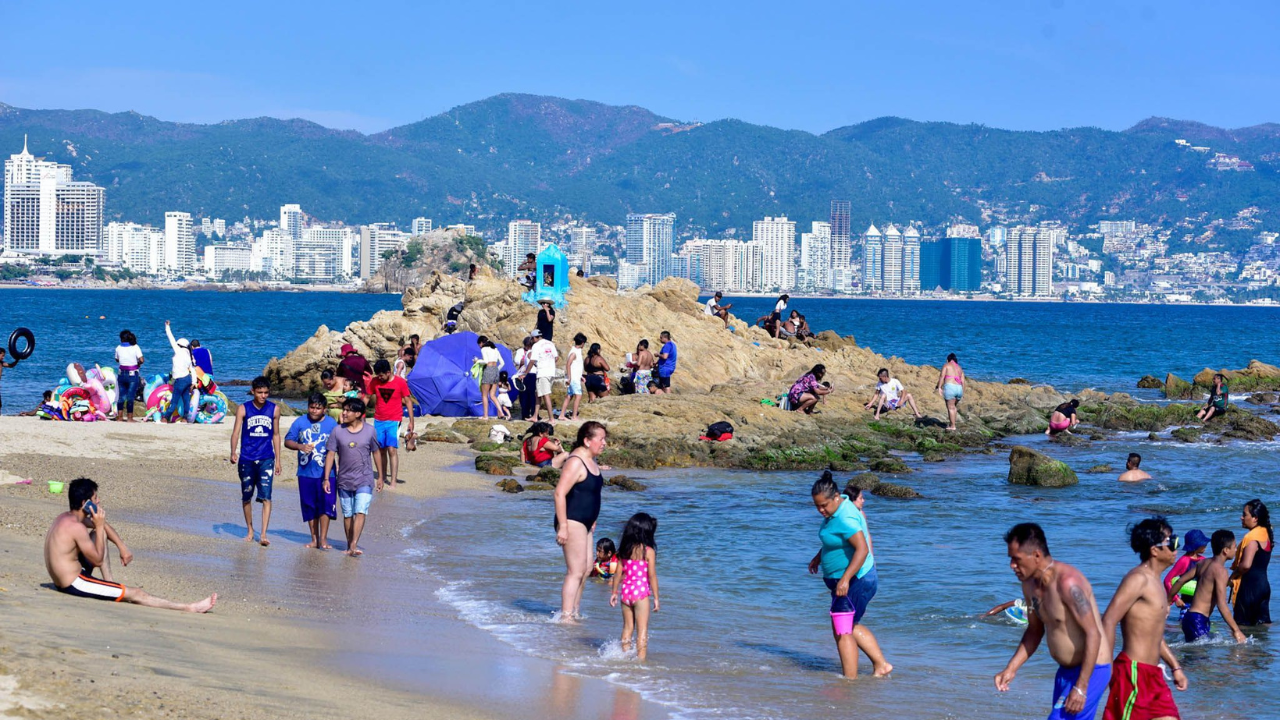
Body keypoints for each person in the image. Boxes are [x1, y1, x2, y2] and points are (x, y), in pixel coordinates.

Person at [995, 523, 1112, 720]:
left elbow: (1094, 633)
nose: (1012, 566)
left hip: (1091, 671)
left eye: (1016, 559)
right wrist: (1011, 668)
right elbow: (1034, 630)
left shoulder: (1069, 583)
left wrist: (1082, 687)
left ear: (1037, 555)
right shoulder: (1029, 585)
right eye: (1010, 559)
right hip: (1064, 672)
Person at [44, 478, 216, 612]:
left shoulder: (66, 518)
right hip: (74, 583)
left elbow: (105, 529)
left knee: (100, 532)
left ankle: (109, 583)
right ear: (85, 504)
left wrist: (122, 547)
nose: (99, 502)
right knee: (136, 594)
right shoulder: (76, 527)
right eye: (95, 499)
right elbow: (96, 560)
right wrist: (99, 525)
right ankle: (189, 607)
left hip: (67, 576)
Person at [1099, 518, 1187, 720]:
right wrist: (1106, 667)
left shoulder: (1156, 582)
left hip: (1153, 675)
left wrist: (1175, 666)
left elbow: (1154, 635)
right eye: (1171, 542)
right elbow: (1109, 620)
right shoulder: (1138, 579)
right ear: (1154, 550)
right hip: (1133, 672)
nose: (1177, 547)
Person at [809, 471, 891, 678]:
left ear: (836, 497)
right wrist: (819, 557)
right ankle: (880, 665)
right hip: (848, 580)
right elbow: (837, 541)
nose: (820, 510)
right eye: (817, 506)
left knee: (843, 629)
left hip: (857, 580)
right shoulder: (838, 509)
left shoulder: (845, 517)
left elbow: (862, 549)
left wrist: (845, 579)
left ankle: (849, 682)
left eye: (824, 505)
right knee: (845, 626)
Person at [554, 421, 608, 621]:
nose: (604, 443)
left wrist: (593, 519)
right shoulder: (576, 461)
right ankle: (566, 616)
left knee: (586, 569)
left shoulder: (592, 461)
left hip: (586, 522)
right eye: (600, 439)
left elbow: (590, 494)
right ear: (587, 440)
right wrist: (564, 526)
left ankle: (575, 610)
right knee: (575, 571)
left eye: (605, 439)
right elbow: (559, 493)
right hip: (571, 519)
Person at [322, 397, 383, 556]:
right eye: (344, 409)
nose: (344, 412)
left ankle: (354, 544)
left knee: (360, 511)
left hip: (364, 478)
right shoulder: (337, 431)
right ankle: (350, 544)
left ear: (358, 413)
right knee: (348, 514)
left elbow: (376, 453)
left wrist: (381, 476)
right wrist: (327, 478)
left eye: (348, 410)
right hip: (344, 479)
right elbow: (330, 454)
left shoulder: (370, 431)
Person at [1169, 530, 1247, 643]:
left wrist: (1169, 600)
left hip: (1189, 617)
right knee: (1200, 658)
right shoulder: (1221, 571)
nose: (1235, 550)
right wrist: (1236, 630)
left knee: (1193, 657)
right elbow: (1222, 604)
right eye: (1234, 547)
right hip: (1198, 620)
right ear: (1225, 550)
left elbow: (1180, 581)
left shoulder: (1203, 563)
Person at [229, 377, 281, 547]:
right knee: (247, 496)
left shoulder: (274, 409)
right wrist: (233, 451)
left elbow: (276, 435)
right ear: (253, 391)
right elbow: (236, 432)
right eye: (259, 392)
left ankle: (264, 533)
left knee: (266, 496)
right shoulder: (243, 409)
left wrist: (278, 460)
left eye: (266, 392)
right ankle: (250, 529)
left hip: (267, 458)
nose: (263, 395)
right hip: (247, 458)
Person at [284, 394, 339, 550]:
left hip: (328, 474)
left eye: (318, 408)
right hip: (305, 473)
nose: (314, 411)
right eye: (312, 407)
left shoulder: (332, 423)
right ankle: (314, 539)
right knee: (309, 506)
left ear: (324, 409)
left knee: (326, 505)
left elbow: (339, 446)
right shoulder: (300, 422)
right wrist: (300, 446)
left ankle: (323, 539)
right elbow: (288, 441)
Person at [610, 512, 661, 661]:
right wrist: (656, 598)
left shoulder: (624, 550)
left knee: (627, 627)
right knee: (642, 629)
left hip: (626, 592)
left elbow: (618, 573)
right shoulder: (648, 551)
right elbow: (652, 576)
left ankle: (625, 656)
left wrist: (614, 592)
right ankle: (641, 661)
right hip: (641, 593)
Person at [366, 358, 414, 488]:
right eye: (378, 375)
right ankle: (381, 477)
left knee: (392, 449)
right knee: (381, 450)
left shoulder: (400, 382)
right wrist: (359, 414)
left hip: (394, 420)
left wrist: (411, 421)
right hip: (378, 420)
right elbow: (366, 397)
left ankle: (393, 481)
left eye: (381, 375)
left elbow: (408, 401)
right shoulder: (375, 382)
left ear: (388, 372)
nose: (379, 378)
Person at [1229, 498, 1272, 627]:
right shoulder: (1266, 533)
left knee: (1241, 627)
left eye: (1244, 515)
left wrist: (1232, 576)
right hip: (1263, 586)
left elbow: (1246, 565)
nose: (1241, 517)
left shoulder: (1252, 538)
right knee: (1263, 627)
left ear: (1255, 518)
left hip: (1249, 589)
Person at [1163, 529, 1210, 609]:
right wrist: (1176, 598)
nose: (1206, 545)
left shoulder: (1203, 560)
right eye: (1203, 543)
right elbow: (1167, 580)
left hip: (1201, 603)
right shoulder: (1184, 560)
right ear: (1197, 545)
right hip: (1186, 603)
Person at [164, 320, 195, 423]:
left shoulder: (178, 350)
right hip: (188, 379)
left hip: (180, 380)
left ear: (179, 345)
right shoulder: (189, 355)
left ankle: (165, 418)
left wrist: (167, 327)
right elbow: (193, 370)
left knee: (174, 400)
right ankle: (185, 419)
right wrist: (193, 383)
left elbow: (171, 338)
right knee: (186, 399)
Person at [113, 329, 145, 422]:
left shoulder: (118, 348)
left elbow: (117, 359)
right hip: (132, 374)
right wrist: (138, 363)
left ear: (122, 339)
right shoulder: (135, 347)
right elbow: (142, 360)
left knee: (121, 396)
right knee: (130, 396)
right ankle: (130, 418)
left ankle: (119, 417)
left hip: (121, 373)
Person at [531, 330, 559, 423]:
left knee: (545, 395)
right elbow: (556, 357)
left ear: (535, 337)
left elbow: (532, 360)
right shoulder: (550, 343)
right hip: (551, 372)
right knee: (538, 394)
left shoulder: (536, 345)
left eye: (532, 338)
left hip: (543, 372)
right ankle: (535, 416)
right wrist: (550, 364)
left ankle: (551, 419)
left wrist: (525, 373)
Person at [559, 333, 586, 421]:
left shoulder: (576, 351)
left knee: (569, 396)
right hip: (573, 379)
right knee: (578, 396)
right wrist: (569, 377)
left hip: (575, 377)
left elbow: (575, 366)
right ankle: (574, 416)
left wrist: (580, 376)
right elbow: (568, 364)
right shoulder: (574, 352)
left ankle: (562, 414)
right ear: (582, 343)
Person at [477, 335, 504, 420]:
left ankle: (485, 416)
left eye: (479, 344)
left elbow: (485, 361)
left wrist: (477, 361)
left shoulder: (484, 349)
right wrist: (495, 370)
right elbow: (502, 363)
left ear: (481, 343)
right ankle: (501, 413)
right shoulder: (495, 349)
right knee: (493, 395)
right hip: (496, 371)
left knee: (484, 395)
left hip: (488, 370)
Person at [935, 353, 965, 432]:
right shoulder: (960, 368)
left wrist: (939, 387)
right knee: (953, 407)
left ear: (948, 359)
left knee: (950, 408)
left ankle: (953, 426)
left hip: (950, 387)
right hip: (959, 388)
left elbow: (942, 376)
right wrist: (963, 392)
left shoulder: (946, 365)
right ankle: (952, 423)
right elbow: (963, 381)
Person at [514, 336, 538, 420]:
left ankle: (533, 413)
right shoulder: (523, 351)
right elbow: (517, 361)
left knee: (532, 395)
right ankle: (525, 413)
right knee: (524, 395)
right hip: (525, 373)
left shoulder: (532, 352)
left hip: (530, 374)